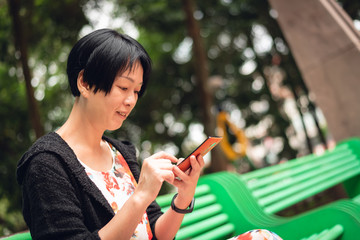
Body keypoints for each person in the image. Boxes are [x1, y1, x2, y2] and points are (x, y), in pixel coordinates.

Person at [17, 29, 282, 240]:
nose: (131, 100)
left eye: (137, 91)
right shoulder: (46, 164)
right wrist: (141, 194)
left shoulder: (121, 152)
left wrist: (184, 196)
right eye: (123, 87)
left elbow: (156, 232)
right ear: (85, 82)